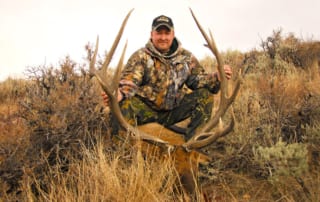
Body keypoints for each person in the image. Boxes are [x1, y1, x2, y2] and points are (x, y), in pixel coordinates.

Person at [104, 15, 232, 139]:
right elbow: (130, 80)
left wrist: (217, 77)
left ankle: (193, 143)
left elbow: (199, 81)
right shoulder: (141, 57)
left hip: (172, 112)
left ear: (173, 34)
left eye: (167, 33)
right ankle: (120, 148)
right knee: (124, 104)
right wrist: (120, 93)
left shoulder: (186, 58)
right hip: (145, 111)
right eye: (159, 33)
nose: (163, 37)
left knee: (205, 96)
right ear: (151, 34)